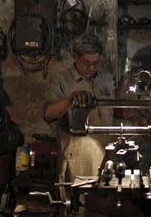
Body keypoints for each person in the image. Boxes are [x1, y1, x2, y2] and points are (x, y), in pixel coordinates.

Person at [42, 33, 114, 193]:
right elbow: (48, 113)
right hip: (78, 164)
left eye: (95, 63)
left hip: (108, 160)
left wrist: (132, 114)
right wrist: (70, 100)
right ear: (74, 57)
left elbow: (110, 111)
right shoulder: (61, 80)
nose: (91, 68)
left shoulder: (106, 78)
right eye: (86, 63)